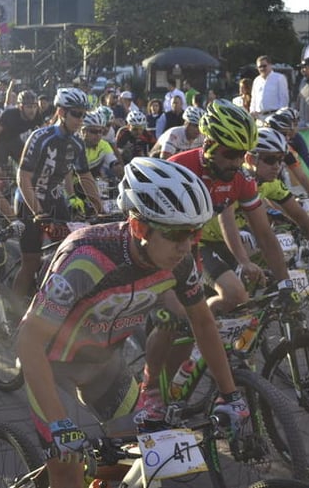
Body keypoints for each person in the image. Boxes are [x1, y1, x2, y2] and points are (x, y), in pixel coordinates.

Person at [17, 157, 245, 488]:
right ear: (140, 227)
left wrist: (231, 394)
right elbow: (28, 340)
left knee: (137, 457)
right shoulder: (85, 258)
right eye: (176, 234)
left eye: (194, 233)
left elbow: (203, 323)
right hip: (52, 368)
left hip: (105, 367)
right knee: (68, 466)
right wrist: (59, 424)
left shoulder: (178, 261)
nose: (186, 246)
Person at [167, 100, 298, 317]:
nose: (237, 162)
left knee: (236, 299)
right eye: (230, 154)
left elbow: (264, 234)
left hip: (196, 243)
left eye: (242, 154)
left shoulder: (241, 179)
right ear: (208, 145)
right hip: (168, 246)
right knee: (178, 319)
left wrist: (286, 284)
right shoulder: (180, 169)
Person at [12, 87, 103, 299]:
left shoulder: (77, 143)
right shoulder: (40, 137)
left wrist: (99, 210)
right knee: (31, 262)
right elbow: (23, 177)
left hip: (55, 199)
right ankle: (12, 311)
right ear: (61, 112)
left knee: (69, 255)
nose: (81, 120)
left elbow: (86, 177)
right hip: (29, 200)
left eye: (84, 115)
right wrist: (37, 212)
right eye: (77, 114)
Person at [242, 127, 309, 272]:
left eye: (280, 160)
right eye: (270, 160)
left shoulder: (271, 183)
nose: (277, 167)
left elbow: (301, 217)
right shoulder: (237, 180)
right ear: (250, 159)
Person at [0, 89, 42, 176]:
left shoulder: (37, 115)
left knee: (30, 165)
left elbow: (44, 134)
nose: (32, 111)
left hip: (14, 140)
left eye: (35, 107)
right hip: (0, 142)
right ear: (20, 107)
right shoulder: (9, 115)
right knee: (1, 171)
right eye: (29, 107)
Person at [80, 111, 123, 180]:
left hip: (89, 182)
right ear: (83, 131)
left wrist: (120, 170)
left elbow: (113, 163)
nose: (98, 135)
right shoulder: (74, 146)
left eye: (100, 131)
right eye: (94, 131)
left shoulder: (104, 145)